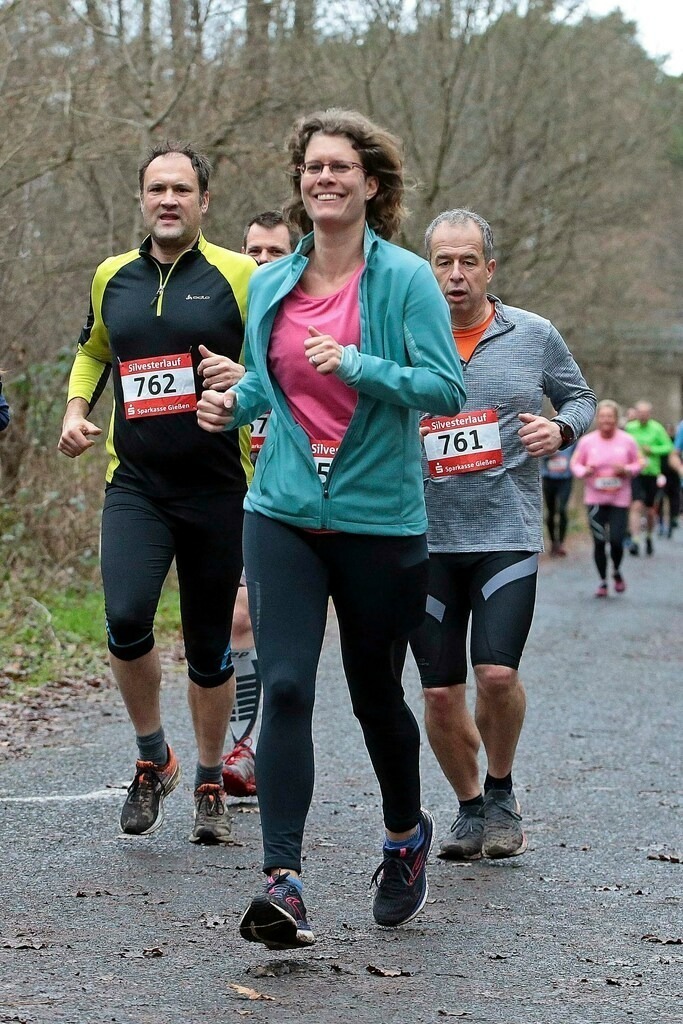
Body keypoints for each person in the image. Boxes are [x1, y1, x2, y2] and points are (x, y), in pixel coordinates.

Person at [197, 109, 466, 949]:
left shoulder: (406, 281)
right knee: (281, 687)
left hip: (378, 521)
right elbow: (264, 391)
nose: (324, 178)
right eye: (313, 166)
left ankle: (403, 834)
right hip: (280, 512)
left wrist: (357, 366)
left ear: (370, 184)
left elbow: (445, 389)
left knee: (374, 695)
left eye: (340, 167)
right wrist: (225, 403)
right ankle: (284, 881)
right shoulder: (273, 284)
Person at [58, 142, 256, 845]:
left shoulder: (240, 276)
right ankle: (153, 757)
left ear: (204, 200)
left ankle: (208, 777)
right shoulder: (112, 275)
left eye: (181, 189)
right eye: (156, 189)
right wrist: (77, 409)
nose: (167, 200)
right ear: (141, 198)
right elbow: (93, 350)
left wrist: (242, 380)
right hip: (136, 483)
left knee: (208, 649)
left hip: (219, 489)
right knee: (124, 617)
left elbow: (272, 362)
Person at [409, 208, 596, 863]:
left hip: (503, 531)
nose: (455, 275)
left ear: (490, 267)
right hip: (422, 538)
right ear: (425, 267)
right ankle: (466, 809)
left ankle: (501, 790)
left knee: (493, 674)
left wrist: (562, 430)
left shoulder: (532, 334)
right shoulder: (402, 334)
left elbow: (580, 399)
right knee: (437, 690)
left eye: (467, 262)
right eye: (442, 262)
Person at [199, 212, 299, 799]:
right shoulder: (223, 320)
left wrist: (255, 382)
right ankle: (244, 746)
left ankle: (276, 743)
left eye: (275, 252)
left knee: (289, 644)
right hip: (237, 497)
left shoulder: (303, 317)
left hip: (304, 496)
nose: (262, 261)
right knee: (238, 620)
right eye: (253, 251)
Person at [570, 400, 642, 596]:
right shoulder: (587, 442)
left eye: (610, 417)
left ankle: (617, 571)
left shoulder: (627, 441)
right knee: (600, 542)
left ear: (616, 419)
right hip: (595, 499)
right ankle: (603, 581)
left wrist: (626, 470)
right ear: (598, 419)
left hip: (619, 499)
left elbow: (639, 463)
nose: (606, 420)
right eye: (602, 417)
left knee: (617, 541)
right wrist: (585, 471)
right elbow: (575, 465)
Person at [624, 401, 673, 556]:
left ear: (649, 414)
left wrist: (652, 450)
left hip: (652, 473)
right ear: (637, 413)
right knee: (636, 505)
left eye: (646, 413)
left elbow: (668, 447)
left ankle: (649, 537)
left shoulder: (657, 428)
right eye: (640, 413)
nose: (643, 416)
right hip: (636, 473)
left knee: (651, 510)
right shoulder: (630, 428)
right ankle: (636, 540)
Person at [541, 441, 576, 555]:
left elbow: (578, 455)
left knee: (562, 509)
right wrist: (548, 454)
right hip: (548, 478)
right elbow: (537, 454)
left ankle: (561, 542)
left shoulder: (571, 436)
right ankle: (553, 543)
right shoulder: (545, 433)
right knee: (551, 512)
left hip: (565, 479)